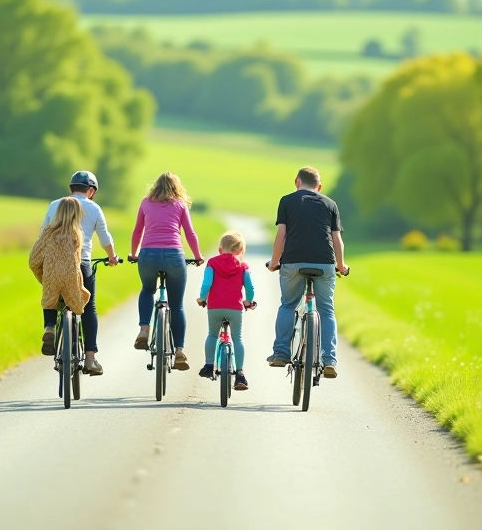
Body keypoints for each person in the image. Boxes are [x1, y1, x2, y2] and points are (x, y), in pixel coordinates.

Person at [266, 166, 349, 378]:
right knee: (326, 310)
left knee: (288, 304)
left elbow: (281, 235)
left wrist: (274, 262)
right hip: (325, 263)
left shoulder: (287, 201)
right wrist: (341, 265)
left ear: (297, 182)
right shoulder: (331, 204)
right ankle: (329, 360)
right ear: (319, 187)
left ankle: (281, 353)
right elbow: (336, 239)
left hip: (293, 262)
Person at [38, 171, 119, 376]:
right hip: (81, 263)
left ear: (71, 188)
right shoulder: (93, 208)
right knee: (88, 306)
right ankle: (90, 358)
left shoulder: (55, 205)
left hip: (54, 262)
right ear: (91, 191)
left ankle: (49, 327)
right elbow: (105, 238)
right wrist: (112, 257)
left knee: (51, 294)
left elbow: (42, 234)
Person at [129, 172, 204, 371]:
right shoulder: (180, 205)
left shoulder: (146, 202)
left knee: (147, 290)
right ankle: (179, 350)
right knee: (177, 304)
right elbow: (189, 233)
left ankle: (144, 330)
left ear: (155, 187)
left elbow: (138, 231)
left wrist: (133, 253)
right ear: (176, 188)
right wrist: (197, 256)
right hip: (173, 256)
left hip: (148, 255)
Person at [29, 198, 92, 363]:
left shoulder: (48, 232)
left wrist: (43, 276)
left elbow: (33, 260)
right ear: (76, 214)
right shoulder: (76, 233)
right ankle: (75, 337)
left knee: (49, 300)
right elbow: (77, 261)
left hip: (52, 275)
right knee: (83, 297)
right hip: (71, 277)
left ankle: (49, 328)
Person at [196, 231, 255, 391]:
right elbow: (249, 286)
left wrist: (202, 298)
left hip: (215, 307)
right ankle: (240, 374)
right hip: (235, 308)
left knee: (212, 335)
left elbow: (207, 284)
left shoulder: (212, 263)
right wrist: (248, 301)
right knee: (238, 339)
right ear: (241, 251)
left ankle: (209, 365)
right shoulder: (243, 266)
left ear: (220, 249)